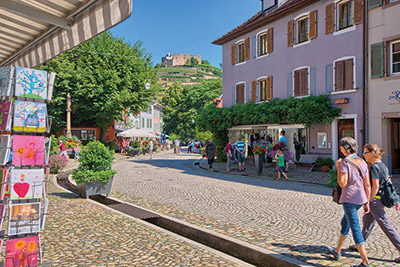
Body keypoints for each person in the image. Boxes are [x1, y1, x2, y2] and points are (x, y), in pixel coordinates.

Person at [347, 144, 400, 263]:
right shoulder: (383, 166)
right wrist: (396, 198)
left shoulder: (375, 167)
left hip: (374, 200)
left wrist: (368, 200)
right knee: (367, 222)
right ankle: (359, 244)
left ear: (372, 153)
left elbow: (375, 186)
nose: (364, 155)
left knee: (386, 225)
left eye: (365, 152)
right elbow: (389, 183)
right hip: (378, 199)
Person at [327, 137, 371, 267]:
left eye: (341, 148)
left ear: (346, 148)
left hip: (349, 199)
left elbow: (342, 183)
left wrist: (339, 166)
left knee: (355, 227)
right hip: (361, 198)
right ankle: (337, 251)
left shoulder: (345, 163)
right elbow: (367, 184)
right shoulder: (361, 161)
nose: (340, 150)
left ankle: (365, 263)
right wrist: (367, 202)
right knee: (344, 222)